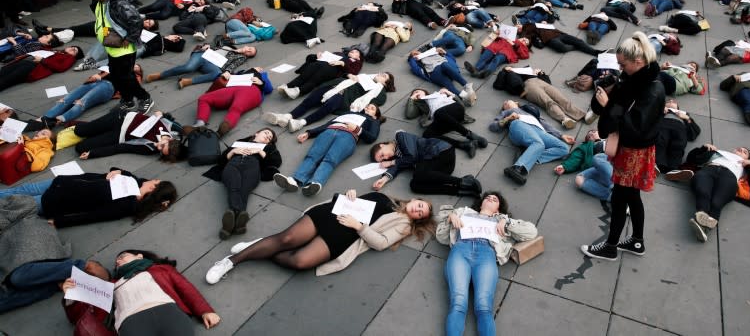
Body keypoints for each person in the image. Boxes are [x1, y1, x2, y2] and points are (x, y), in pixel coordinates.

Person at [205, 189, 434, 282]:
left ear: (418, 219)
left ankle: (261, 247)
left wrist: (360, 227)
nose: (418, 209)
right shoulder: (383, 196)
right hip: (332, 214)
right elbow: (346, 200)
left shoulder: (403, 224)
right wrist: (350, 194)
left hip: (346, 235)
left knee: (300, 261)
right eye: (420, 205)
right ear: (415, 199)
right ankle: (229, 262)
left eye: (421, 213)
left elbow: (382, 243)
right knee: (285, 239)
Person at [580, 31, 665, 261]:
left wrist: (609, 106)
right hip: (632, 149)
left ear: (638, 61)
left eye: (623, 64)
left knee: (620, 199)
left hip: (634, 150)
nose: (620, 68)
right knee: (632, 197)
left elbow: (634, 126)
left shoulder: (653, 89)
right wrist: (605, 96)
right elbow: (616, 112)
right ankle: (637, 241)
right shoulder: (633, 80)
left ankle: (610, 247)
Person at [436, 191, 539, 336]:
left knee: (484, 307)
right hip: (461, 251)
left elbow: (532, 232)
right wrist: (450, 217)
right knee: (458, 303)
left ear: (498, 208)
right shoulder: (464, 212)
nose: (490, 199)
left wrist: (507, 222)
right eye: (488, 197)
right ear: (481, 203)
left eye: (495, 199)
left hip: (486, 255)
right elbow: (440, 236)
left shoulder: (501, 220)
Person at [0, 167, 176, 227]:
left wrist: (61, 222)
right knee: (21, 189)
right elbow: (118, 171)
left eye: (156, 181)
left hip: (56, 201)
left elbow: (96, 216)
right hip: (61, 183)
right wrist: (118, 171)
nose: (153, 179)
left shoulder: (128, 204)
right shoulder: (135, 181)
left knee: (12, 205)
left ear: (154, 188)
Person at [97, 250, 220, 334]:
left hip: (168, 313)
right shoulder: (112, 284)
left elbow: (186, 288)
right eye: (116, 263)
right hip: (131, 323)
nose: (118, 262)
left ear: (139, 256)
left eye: (122, 256)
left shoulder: (161, 269)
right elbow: (95, 300)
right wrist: (77, 286)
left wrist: (205, 311)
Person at [273, 105, 384, 196]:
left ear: (375, 116)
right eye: (367, 106)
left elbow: (372, 137)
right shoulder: (347, 113)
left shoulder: (373, 121)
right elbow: (327, 124)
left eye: (372, 108)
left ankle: (314, 183)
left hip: (348, 136)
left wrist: (357, 129)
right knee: (312, 155)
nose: (367, 108)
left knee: (330, 159)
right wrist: (310, 133)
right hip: (329, 131)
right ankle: (294, 180)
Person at [86, 0, 152, 113]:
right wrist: (105, 35)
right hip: (112, 46)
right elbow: (103, 20)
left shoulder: (118, 3)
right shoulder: (99, 2)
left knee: (126, 77)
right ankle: (127, 100)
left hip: (124, 48)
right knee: (116, 76)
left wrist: (129, 38)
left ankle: (145, 98)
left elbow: (136, 21)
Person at [205, 128, 282, 239]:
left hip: (252, 167)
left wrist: (259, 151)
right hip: (233, 164)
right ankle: (239, 222)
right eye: (266, 133)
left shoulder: (268, 148)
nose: (267, 137)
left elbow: (276, 161)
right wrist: (233, 151)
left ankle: (227, 227)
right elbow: (221, 160)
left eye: (269, 138)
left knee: (243, 189)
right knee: (234, 187)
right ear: (256, 132)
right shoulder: (240, 142)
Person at [684, 144, 750, 242]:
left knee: (717, 202)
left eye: (745, 152)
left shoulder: (746, 167)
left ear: (747, 158)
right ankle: (703, 226)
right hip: (709, 171)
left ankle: (703, 227)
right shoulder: (718, 154)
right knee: (703, 192)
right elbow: (691, 159)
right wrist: (704, 148)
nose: (741, 150)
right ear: (733, 150)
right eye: (739, 149)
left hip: (729, 177)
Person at [264, 72, 395, 133]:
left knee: (329, 106)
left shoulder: (379, 91)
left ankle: (301, 123)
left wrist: (380, 86)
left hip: (344, 98)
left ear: (385, 83)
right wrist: (349, 75)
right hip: (334, 88)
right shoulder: (365, 76)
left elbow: (378, 100)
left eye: (384, 77)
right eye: (382, 73)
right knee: (311, 99)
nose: (381, 74)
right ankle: (287, 117)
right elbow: (345, 76)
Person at [370, 130, 483, 196]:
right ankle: (460, 191)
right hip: (440, 170)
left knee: (418, 174)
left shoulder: (400, 137)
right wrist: (384, 179)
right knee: (415, 185)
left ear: (382, 145)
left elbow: (412, 157)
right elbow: (398, 165)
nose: (385, 158)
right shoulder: (398, 157)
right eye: (383, 159)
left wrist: (391, 162)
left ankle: (463, 182)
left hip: (442, 152)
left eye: (382, 155)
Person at [490, 99, 575, 185]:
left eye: (508, 101)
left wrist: (561, 135)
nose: (505, 102)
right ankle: (517, 168)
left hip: (539, 130)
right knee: (539, 144)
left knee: (564, 149)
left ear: (516, 103)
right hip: (519, 124)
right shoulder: (507, 112)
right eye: (504, 104)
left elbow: (546, 125)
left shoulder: (529, 111)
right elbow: (493, 127)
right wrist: (508, 118)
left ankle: (528, 156)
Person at [188, 67, 273, 136]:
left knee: (236, 108)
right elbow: (220, 78)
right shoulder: (240, 72)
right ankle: (200, 123)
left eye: (260, 68)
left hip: (252, 89)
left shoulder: (262, 75)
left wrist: (261, 82)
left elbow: (269, 89)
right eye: (257, 67)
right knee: (204, 98)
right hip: (233, 88)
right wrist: (226, 73)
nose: (259, 68)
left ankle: (219, 133)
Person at [404, 88, 487, 157]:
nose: (416, 93)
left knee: (438, 113)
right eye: (414, 93)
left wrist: (449, 92)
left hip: (455, 109)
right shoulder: (421, 104)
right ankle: (465, 145)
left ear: (424, 91)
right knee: (427, 135)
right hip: (443, 119)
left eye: (417, 91)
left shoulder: (438, 94)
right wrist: (411, 98)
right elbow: (409, 114)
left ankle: (470, 135)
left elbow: (461, 105)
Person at [146, 43, 256, 89]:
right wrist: (206, 45)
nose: (248, 50)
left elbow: (233, 65)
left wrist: (227, 71)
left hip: (212, 63)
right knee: (189, 68)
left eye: (250, 52)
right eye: (250, 48)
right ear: (246, 46)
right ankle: (159, 75)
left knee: (217, 74)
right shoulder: (228, 44)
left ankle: (187, 81)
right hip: (203, 55)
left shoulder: (241, 57)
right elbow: (213, 43)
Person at [277, 48, 363, 99]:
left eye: (356, 52)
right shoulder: (339, 53)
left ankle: (298, 91)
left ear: (359, 57)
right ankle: (288, 86)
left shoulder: (357, 62)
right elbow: (310, 58)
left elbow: (354, 72)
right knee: (305, 74)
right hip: (320, 63)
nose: (352, 51)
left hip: (332, 69)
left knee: (315, 79)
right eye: (352, 50)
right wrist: (317, 56)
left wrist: (342, 63)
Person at [554, 129, 612, 201]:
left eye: (594, 132)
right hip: (601, 169)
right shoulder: (586, 147)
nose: (592, 134)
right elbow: (576, 158)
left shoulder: (611, 138)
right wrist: (564, 166)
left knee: (598, 158)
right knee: (579, 179)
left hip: (616, 163)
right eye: (589, 135)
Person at [519, 69, 589, 129]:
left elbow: (547, 80)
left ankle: (582, 115)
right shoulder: (511, 72)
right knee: (548, 102)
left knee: (562, 99)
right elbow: (514, 85)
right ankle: (564, 119)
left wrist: (541, 73)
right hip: (528, 85)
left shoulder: (528, 69)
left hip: (540, 81)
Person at [0, 45, 84, 92]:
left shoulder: (69, 58)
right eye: (72, 47)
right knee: (3, 72)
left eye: (74, 51)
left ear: (74, 56)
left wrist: (42, 60)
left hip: (32, 67)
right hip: (24, 61)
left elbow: (61, 67)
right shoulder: (55, 50)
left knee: (7, 79)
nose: (72, 49)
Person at [465, 36, 530, 79]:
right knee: (485, 56)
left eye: (526, 41)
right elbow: (497, 36)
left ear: (526, 45)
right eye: (524, 38)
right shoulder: (511, 37)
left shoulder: (522, 47)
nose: (524, 39)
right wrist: (500, 34)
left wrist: (515, 44)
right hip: (494, 47)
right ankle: (475, 69)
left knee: (497, 59)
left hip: (506, 52)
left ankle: (484, 73)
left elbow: (524, 55)